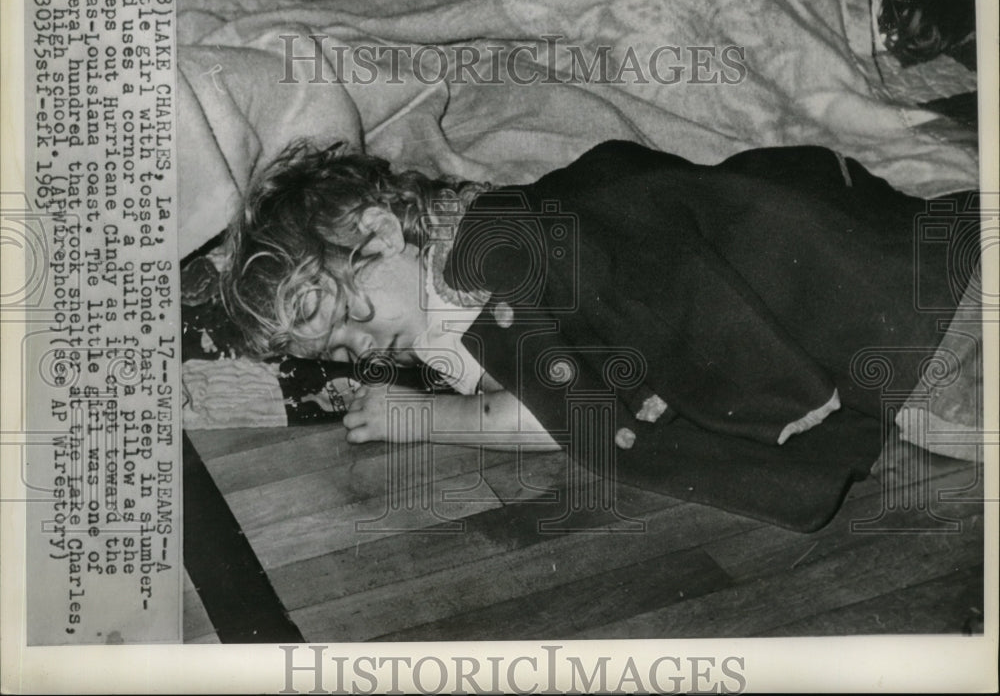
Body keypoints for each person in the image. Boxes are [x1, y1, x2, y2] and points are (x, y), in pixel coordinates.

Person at [222, 138, 976, 530]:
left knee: (956, 416)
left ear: (384, 235)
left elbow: (555, 415)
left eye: (350, 319)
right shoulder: (471, 240)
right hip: (885, 262)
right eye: (338, 354)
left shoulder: (495, 270)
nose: (362, 351)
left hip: (908, 326)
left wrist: (424, 417)